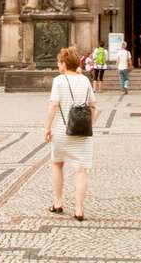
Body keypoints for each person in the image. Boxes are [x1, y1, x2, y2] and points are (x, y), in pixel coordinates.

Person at [43, 46, 95, 221]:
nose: (58, 65)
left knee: (57, 164)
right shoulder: (85, 81)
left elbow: (53, 105)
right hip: (82, 132)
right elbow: (93, 106)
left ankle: (58, 203)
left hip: (61, 131)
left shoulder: (59, 80)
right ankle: (79, 209)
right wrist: (89, 124)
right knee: (81, 170)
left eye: (59, 62)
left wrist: (47, 127)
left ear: (64, 63)